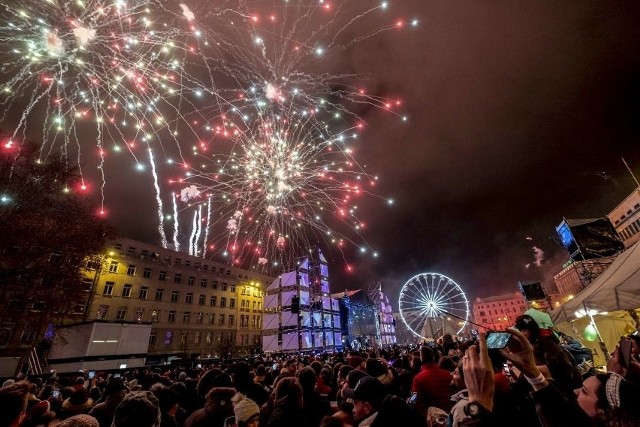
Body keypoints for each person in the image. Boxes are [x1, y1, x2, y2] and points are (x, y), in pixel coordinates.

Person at [411, 345, 454, 414]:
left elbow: (415, 400)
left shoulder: (418, 379)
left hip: (433, 416)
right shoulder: (449, 374)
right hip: (452, 412)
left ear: (421, 358)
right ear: (433, 357)